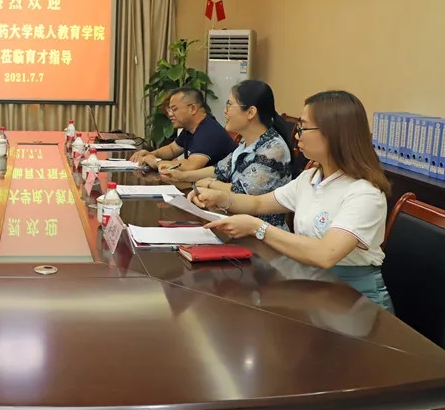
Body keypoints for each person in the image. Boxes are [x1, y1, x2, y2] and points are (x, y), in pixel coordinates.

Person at [192, 90, 394, 312]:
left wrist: (258, 228)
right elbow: (258, 204)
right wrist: (221, 198)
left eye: (303, 128)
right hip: (315, 288)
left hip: (355, 302)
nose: (297, 136)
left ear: (332, 133)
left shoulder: (364, 193)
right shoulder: (311, 177)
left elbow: (325, 254)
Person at [160, 80, 292, 229]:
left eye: (229, 105)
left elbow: (243, 194)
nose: (225, 111)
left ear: (250, 112)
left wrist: (210, 183)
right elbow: (219, 170)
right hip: (235, 221)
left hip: (263, 232)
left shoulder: (273, 149)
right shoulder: (247, 142)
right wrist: (182, 176)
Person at [130, 87, 235, 171]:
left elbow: (191, 166)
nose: (170, 114)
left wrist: (156, 162)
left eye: (174, 109)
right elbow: (172, 149)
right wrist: (151, 154)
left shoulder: (209, 131)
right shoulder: (190, 128)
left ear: (192, 108)